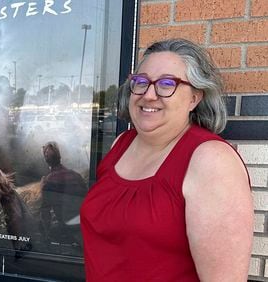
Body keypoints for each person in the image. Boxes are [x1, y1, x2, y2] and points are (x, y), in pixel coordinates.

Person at [80, 38, 253, 281]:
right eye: (140, 82)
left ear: (195, 98)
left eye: (166, 84)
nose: (149, 95)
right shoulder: (122, 144)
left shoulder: (211, 160)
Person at [40, 141, 86, 244]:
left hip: (67, 227)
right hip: (82, 225)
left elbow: (45, 212)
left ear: (46, 160)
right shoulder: (76, 175)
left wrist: (46, 234)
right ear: (60, 157)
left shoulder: (48, 181)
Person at [0, 163, 33, 258]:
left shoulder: (2, 192)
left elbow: (15, 214)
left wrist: (17, 243)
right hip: (15, 221)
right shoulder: (0, 189)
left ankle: (21, 250)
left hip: (16, 222)